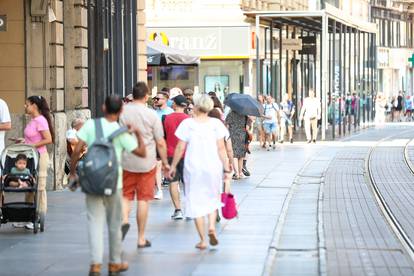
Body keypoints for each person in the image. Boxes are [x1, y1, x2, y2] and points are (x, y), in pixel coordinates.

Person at [69, 95, 146, 276]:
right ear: (120, 111)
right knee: (114, 223)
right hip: (114, 183)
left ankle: (95, 265)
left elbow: (77, 149)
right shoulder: (120, 131)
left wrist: (73, 171)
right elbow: (141, 153)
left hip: (93, 182)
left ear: (104, 108)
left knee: (94, 222)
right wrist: (137, 133)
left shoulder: (90, 125)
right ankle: (114, 263)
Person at [168, 94, 231, 250]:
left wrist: (173, 165)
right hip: (213, 166)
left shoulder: (187, 124)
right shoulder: (216, 124)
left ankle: (203, 239)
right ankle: (211, 227)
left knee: (195, 200)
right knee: (212, 197)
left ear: (195, 106)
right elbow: (221, 148)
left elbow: (180, 147)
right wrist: (227, 167)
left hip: (193, 167)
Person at [120, 82, 170, 248]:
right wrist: (164, 162)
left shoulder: (123, 113)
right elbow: (160, 141)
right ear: (146, 96)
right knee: (143, 199)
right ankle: (141, 238)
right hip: (147, 162)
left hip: (127, 159)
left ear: (132, 95)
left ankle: (124, 220)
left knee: (126, 195)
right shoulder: (151, 114)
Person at [12, 96, 54, 230]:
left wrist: (32, 146)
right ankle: (27, 216)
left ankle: (38, 216)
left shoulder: (41, 120)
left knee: (40, 187)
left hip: (40, 156)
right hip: (31, 156)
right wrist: (22, 141)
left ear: (34, 106)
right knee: (29, 185)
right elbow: (32, 139)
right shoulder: (32, 120)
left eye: (27, 104)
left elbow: (48, 139)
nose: (25, 107)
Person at [163, 95, 189, 220]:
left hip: (171, 154)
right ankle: (190, 209)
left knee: (173, 182)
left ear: (175, 104)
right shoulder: (188, 119)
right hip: (186, 154)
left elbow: (164, 136)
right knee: (187, 183)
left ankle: (178, 210)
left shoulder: (167, 118)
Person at [153, 91, 174, 199]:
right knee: (158, 165)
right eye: (155, 99)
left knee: (170, 165)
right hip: (157, 140)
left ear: (165, 100)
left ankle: (174, 186)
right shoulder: (153, 112)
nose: (155, 100)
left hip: (168, 141)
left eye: (158, 98)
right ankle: (159, 190)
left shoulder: (171, 112)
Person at [225, 111, 248, 180]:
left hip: (232, 135)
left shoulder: (230, 114)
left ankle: (236, 173)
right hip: (242, 135)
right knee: (241, 155)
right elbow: (246, 126)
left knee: (234, 154)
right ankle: (240, 173)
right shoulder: (244, 114)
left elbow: (226, 125)